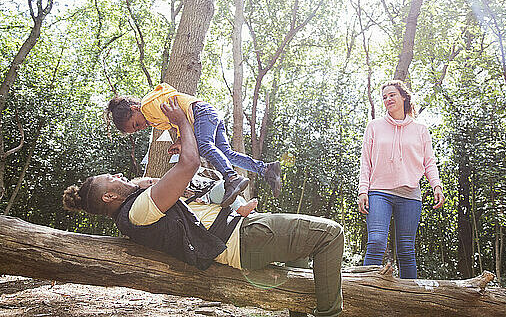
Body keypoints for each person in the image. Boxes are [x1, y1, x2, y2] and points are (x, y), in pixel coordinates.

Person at [65, 97, 343, 317]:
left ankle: (302, 309)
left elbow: (168, 183)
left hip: (241, 232)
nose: (117, 176)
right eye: (110, 179)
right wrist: (181, 123)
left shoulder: (137, 208)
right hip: (243, 238)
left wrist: (153, 170)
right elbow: (190, 164)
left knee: (303, 250)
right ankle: (330, 314)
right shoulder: (139, 210)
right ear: (108, 197)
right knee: (331, 234)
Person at [105, 82, 282, 208]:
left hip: (200, 113)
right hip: (207, 113)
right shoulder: (153, 118)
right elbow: (178, 121)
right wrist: (181, 140)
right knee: (226, 154)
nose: (141, 127)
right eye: (136, 130)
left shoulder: (148, 107)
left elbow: (177, 110)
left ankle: (231, 178)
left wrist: (183, 135)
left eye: (136, 124)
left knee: (204, 146)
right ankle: (266, 169)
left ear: (134, 109)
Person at [357, 80, 445, 279]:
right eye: (385, 97)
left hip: (410, 195)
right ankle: (363, 290)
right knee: (377, 242)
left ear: (404, 97)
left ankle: (409, 300)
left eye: (392, 95)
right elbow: (366, 162)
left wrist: (436, 186)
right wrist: (363, 190)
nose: (388, 99)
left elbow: (429, 162)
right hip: (379, 192)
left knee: (406, 249)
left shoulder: (420, 129)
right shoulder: (374, 127)